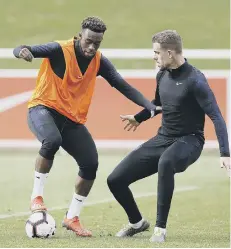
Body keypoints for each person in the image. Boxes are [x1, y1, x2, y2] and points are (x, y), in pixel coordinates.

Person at [13, 16, 156, 237]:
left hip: (71, 119)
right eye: (88, 41)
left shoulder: (99, 60)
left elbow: (121, 84)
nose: (91, 46)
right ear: (80, 36)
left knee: (90, 163)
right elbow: (21, 48)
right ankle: (36, 197)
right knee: (52, 140)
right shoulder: (59, 49)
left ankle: (72, 217)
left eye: (97, 43)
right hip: (42, 109)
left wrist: (149, 105)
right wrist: (22, 52)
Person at [107, 30, 230, 243]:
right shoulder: (162, 74)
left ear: (170, 53)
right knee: (115, 180)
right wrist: (139, 118)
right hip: (162, 138)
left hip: (190, 140)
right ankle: (137, 223)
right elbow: (158, 105)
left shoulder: (196, 80)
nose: (154, 56)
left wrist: (225, 153)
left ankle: (159, 230)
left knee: (166, 163)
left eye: (157, 52)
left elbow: (217, 117)